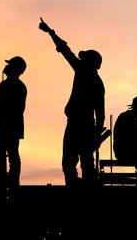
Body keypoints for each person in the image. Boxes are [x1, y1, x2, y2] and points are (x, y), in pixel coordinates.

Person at [39, 17, 106, 187]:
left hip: (79, 124)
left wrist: (50, 33)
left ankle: (76, 191)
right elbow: (101, 114)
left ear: (90, 63)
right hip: (84, 125)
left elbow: (65, 51)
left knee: (73, 162)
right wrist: (96, 134)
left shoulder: (85, 73)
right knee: (81, 162)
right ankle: (81, 190)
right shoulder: (95, 81)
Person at [0, 56, 27, 197]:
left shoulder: (14, 86)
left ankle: (11, 182)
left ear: (15, 69)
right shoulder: (9, 85)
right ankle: (0, 180)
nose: (6, 67)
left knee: (11, 155)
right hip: (7, 126)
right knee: (4, 155)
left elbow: (15, 108)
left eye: (10, 65)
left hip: (8, 126)